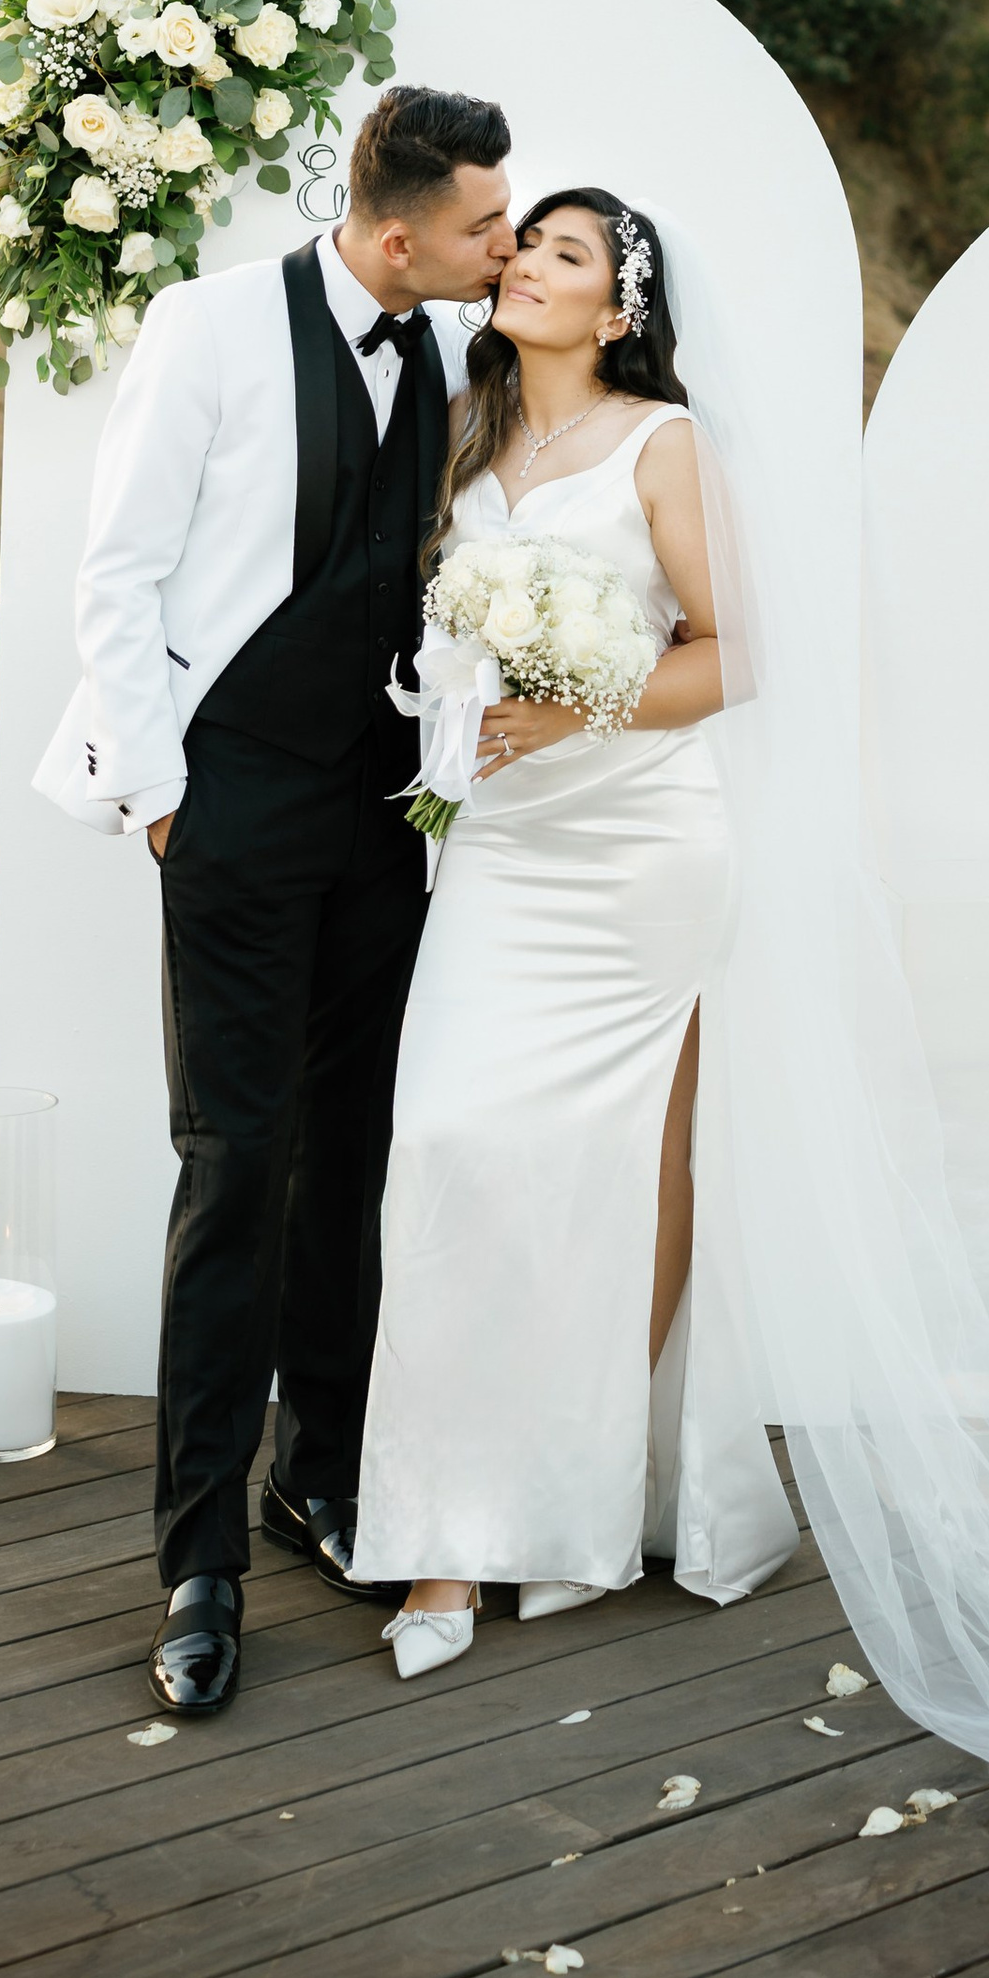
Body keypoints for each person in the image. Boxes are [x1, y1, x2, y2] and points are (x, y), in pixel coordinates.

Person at [37, 82, 514, 1716]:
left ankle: (318, 1474)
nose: (501, 248)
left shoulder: (457, 350)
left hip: (384, 818)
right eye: (481, 226)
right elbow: (120, 570)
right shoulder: (212, 326)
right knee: (234, 1165)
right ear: (399, 235)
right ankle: (197, 1557)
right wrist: (167, 801)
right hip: (231, 807)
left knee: (356, 1151)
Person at [351, 189, 796, 1669]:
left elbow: (741, 655)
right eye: (522, 243)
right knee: (452, 1153)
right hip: (503, 851)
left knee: (606, 1185)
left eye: (567, 254)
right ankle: (448, 1528)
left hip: (637, 856)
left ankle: (550, 1512)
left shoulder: (662, 446)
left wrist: (574, 702)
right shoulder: (472, 437)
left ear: (617, 313)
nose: (528, 266)